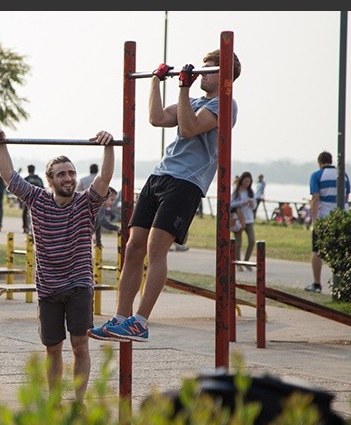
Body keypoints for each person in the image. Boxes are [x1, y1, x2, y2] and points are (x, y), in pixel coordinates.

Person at [88, 49, 241, 342]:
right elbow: (156, 118)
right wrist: (156, 81)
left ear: (225, 78)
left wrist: (182, 87)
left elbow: (189, 128)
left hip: (186, 183)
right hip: (160, 176)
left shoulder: (226, 104)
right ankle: (121, 318)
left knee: (156, 249)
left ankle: (140, 322)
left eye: (210, 70)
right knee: (133, 247)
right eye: (203, 67)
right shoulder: (194, 100)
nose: (202, 73)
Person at [0, 128, 115, 408]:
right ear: (50, 180)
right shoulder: (38, 199)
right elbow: (9, 177)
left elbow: (104, 178)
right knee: (53, 349)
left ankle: (79, 402)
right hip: (48, 287)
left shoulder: (86, 202)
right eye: (61, 174)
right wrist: (1, 143)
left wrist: (108, 146)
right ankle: (55, 400)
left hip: (79, 284)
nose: (68, 178)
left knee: (80, 345)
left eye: (71, 173)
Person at [304, 150, 350, 293]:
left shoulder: (316, 175)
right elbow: (346, 196)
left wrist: (314, 221)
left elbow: (316, 198)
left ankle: (317, 284)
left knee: (317, 251)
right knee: (341, 250)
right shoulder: (343, 175)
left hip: (324, 217)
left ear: (319, 162)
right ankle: (341, 284)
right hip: (342, 216)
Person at [230, 171, 256, 271]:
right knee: (238, 243)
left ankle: (246, 261)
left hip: (249, 219)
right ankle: (238, 263)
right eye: (245, 181)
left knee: (252, 240)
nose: (247, 183)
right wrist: (242, 202)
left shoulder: (251, 192)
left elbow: (254, 206)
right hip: (238, 220)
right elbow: (231, 204)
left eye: (249, 182)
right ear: (241, 181)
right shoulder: (236, 192)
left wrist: (251, 202)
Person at [22, 164, 44, 234]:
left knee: (24, 212)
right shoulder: (38, 179)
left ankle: (25, 227)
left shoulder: (26, 179)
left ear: (28, 170)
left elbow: (21, 189)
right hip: (38, 200)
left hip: (27, 199)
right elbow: (43, 189)